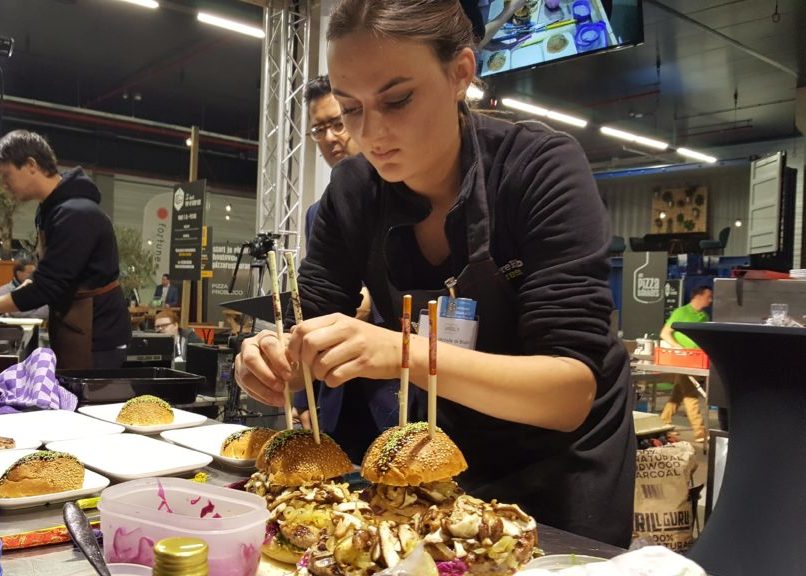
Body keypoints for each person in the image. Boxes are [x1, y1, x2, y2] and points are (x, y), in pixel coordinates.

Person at [235, 0, 634, 547]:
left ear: (460, 74)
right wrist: (277, 358)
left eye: (396, 100)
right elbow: (311, 319)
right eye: (350, 108)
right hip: (439, 461)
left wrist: (403, 353)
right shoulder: (353, 192)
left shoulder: (538, 170)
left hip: (562, 473)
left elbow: (567, 396)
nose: (370, 133)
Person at [293, 75, 399, 463]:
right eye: (320, 128)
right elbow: (316, 309)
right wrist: (303, 392)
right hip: (340, 393)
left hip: (400, 395)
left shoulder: (405, 192)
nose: (332, 137)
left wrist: (372, 311)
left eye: (340, 120)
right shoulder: (318, 212)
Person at [0, 130, 131, 369]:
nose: (4, 185)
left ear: (31, 165)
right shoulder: (49, 210)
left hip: (97, 333)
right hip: (74, 324)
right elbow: (46, 277)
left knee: (91, 403)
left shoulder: (76, 213)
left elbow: (46, 287)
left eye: (7, 176)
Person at [659, 285, 713, 442]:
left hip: (697, 360)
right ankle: (700, 432)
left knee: (678, 393)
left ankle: (664, 421)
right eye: (708, 296)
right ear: (698, 296)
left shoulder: (704, 317)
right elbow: (664, 333)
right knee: (690, 394)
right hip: (682, 360)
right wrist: (678, 348)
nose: (710, 300)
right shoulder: (680, 312)